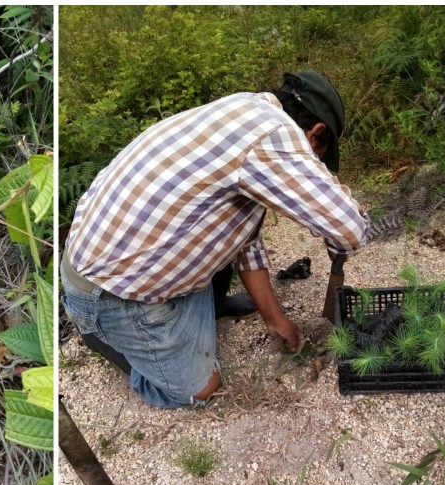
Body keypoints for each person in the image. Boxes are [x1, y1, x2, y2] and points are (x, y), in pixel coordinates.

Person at [61, 70, 369, 409]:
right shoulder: (276, 138)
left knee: (224, 219)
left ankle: (208, 308)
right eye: (318, 155)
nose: (315, 164)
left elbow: (243, 236)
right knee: (200, 390)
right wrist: (336, 225)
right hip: (110, 292)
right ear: (316, 132)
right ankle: (104, 338)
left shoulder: (242, 108)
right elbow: (350, 230)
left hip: (104, 256)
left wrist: (275, 319)